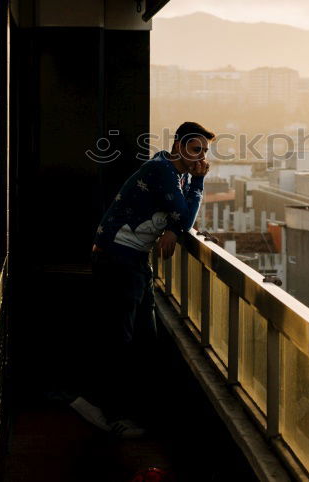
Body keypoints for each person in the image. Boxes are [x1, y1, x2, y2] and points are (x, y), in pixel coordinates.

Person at [70, 121, 213, 438]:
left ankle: (123, 410)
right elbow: (184, 217)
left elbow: (177, 219)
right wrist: (198, 185)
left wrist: (173, 229)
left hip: (133, 260)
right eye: (194, 149)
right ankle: (103, 409)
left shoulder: (172, 172)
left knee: (144, 337)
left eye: (203, 151)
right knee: (121, 338)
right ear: (178, 146)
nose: (199, 157)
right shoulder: (163, 172)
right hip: (119, 259)